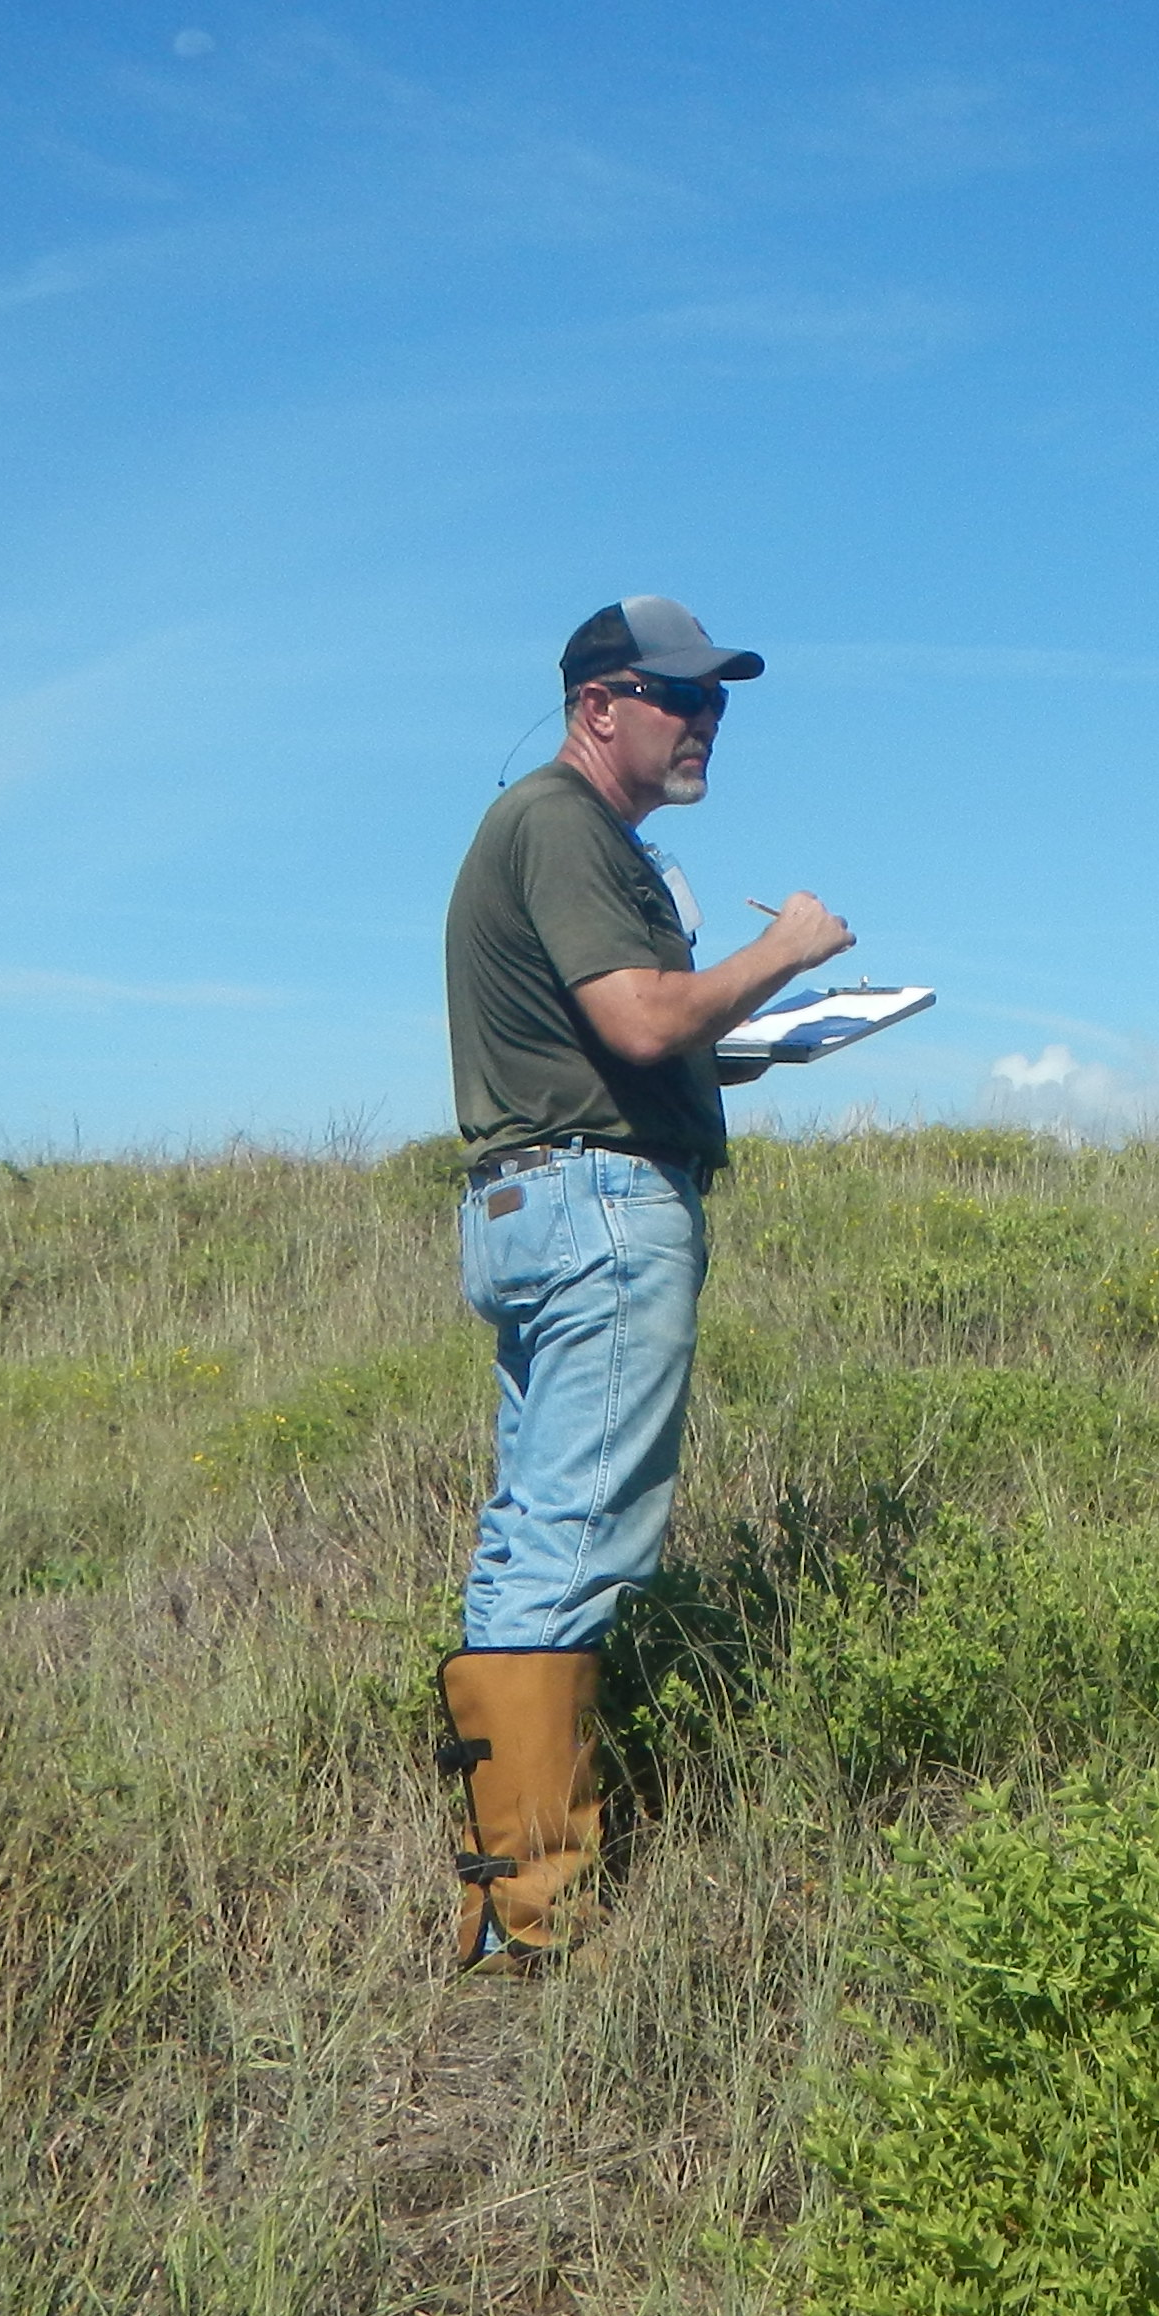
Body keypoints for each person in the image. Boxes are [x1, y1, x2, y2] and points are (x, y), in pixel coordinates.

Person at [437, 596, 852, 1967]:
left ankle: (508, 1900)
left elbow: (620, 1033)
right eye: (683, 699)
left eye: (720, 702)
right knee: (572, 1542)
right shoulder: (561, 824)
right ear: (600, 704)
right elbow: (632, 1017)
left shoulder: (569, 835)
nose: (707, 723)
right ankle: (538, 1917)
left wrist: (742, 1035)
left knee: (531, 1532)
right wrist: (780, 954)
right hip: (598, 1204)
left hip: (541, 1198)